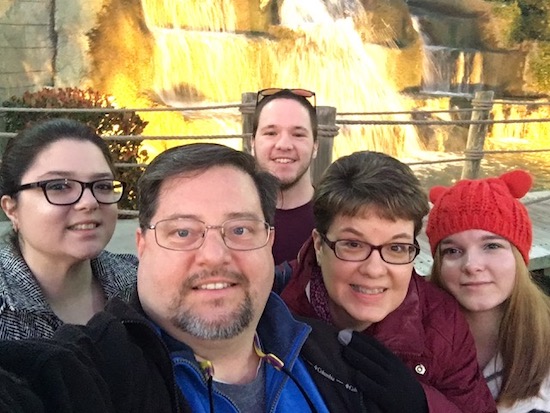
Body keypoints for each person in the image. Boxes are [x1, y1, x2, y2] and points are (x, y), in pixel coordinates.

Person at [0, 143, 429, 413]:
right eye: (183, 232)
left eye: (240, 230)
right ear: (143, 244)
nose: (214, 256)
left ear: (269, 241)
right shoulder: (91, 372)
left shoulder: (338, 361)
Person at [278, 150, 497, 412]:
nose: (374, 269)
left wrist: (422, 404)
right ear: (319, 245)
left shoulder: (440, 322)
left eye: (396, 247)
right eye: (353, 244)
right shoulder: (274, 304)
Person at [0, 118, 137, 339]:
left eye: (102, 186)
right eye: (59, 186)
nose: (89, 202)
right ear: (11, 208)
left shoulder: (140, 285)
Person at [427, 170, 550, 412]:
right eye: (452, 251)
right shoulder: (410, 336)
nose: (472, 265)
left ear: (519, 256)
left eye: (491, 246)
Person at [252, 88, 318, 265]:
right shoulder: (229, 218)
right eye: (271, 133)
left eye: (298, 134)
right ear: (252, 143)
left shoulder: (336, 219)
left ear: (315, 146)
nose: (284, 145)